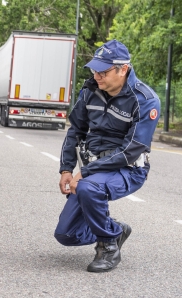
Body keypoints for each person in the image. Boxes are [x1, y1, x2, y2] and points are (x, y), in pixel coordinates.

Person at [55, 40, 161, 273]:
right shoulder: (90, 91)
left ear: (123, 69)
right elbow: (75, 130)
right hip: (94, 169)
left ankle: (109, 247)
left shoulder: (145, 100)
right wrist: (66, 168)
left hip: (128, 169)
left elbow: (131, 149)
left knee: (87, 187)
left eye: (102, 71)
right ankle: (115, 229)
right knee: (66, 235)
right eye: (94, 70)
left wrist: (84, 172)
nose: (97, 76)